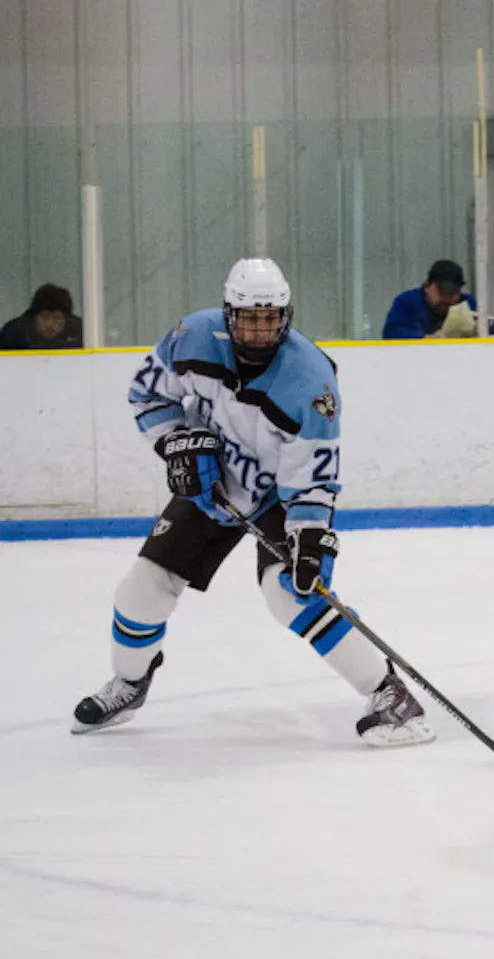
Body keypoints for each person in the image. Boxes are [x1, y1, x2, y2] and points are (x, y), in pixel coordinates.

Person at [71, 258, 432, 748]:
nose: (260, 330)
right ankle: (130, 683)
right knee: (142, 590)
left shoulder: (312, 382)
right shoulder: (191, 337)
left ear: (283, 316)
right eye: (249, 318)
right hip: (212, 481)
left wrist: (308, 538)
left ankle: (388, 692)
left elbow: (313, 478)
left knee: (290, 592)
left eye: (270, 318)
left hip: (280, 496)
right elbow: (147, 395)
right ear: (229, 313)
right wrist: (176, 443)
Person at [382, 260, 478, 339]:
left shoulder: (467, 304)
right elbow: (391, 332)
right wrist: (424, 338)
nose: (446, 298)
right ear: (426, 287)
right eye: (441, 292)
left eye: (453, 293)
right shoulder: (407, 302)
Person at [0, 283, 84, 349]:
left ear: (67, 319)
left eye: (57, 318)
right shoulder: (13, 333)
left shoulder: (81, 331)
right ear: (33, 317)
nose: (50, 324)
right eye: (45, 317)